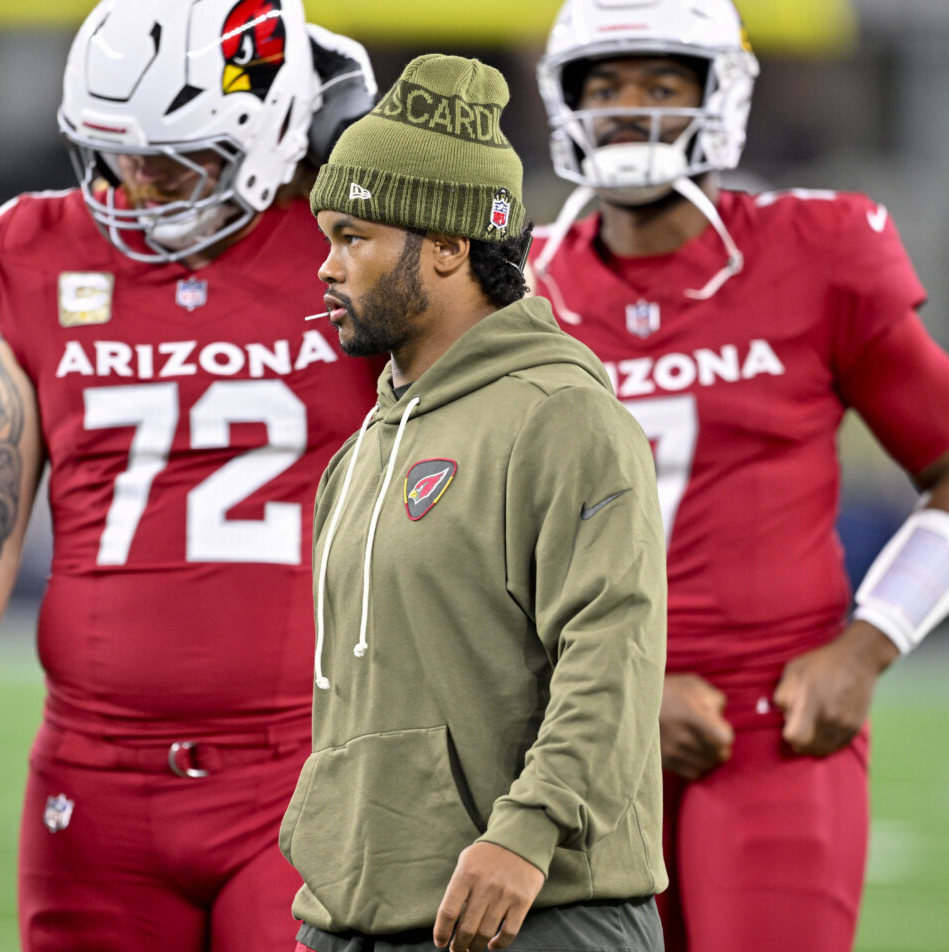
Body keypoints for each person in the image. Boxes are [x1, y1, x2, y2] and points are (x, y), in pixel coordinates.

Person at [0, 1, 382, 949]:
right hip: (93, 785)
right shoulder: (38, 251)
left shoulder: (361, 248)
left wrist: (386, 175)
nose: (135, 188)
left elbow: (512, 370)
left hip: (311, 768)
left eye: (172, 162)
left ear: (267, 131)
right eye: (116, 156)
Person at [529, 1, 949, 950]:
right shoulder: (517, 290)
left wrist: (866, 647)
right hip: (568, 729)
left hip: (770, 726)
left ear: (721, 97)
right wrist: (615, 695)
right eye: (607, 85)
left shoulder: (813, 255)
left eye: (662, 85)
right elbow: (472, 545)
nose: (629, 109)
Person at [281, 54, 669, 952]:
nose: (326, 268)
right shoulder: (364, 447)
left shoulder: (562, 413)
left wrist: (528, 831)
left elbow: (612, 648)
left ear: (450, 245)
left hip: (533, 912)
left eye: (352, 237)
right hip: (359, 918)